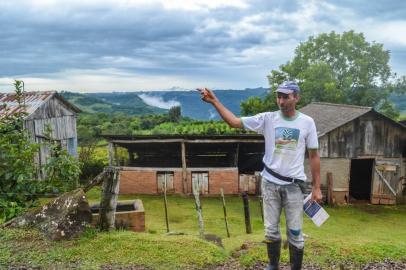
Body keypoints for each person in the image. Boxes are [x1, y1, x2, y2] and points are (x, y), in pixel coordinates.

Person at [197, 81, 322, 270]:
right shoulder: (267, 119)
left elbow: (314, 156)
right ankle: (273, 265)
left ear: (296, 97)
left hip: (294, 187)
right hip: (270, 184)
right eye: (278, 96)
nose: (281, 100)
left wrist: (317, 187)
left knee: (295, 232)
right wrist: (215, 102)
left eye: (286, 96)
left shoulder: (307, 122)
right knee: (271, 231)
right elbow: (234, 122)